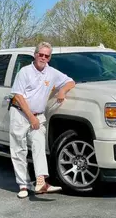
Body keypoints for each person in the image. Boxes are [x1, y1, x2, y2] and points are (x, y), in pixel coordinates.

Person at [9, 42, 75, 199]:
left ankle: (40, 181)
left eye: (47, 56)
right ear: (35, 54)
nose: (43, 58)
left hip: (38, 116)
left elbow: (71, 81)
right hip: (20, 114)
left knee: (38, 145)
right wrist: (31, 117)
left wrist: (62, 91)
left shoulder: (51, 73)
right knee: (19, 149)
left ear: (49, 57)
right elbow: (18, 96)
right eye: (41, 54)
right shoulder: (24, 72)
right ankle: (23, 185)